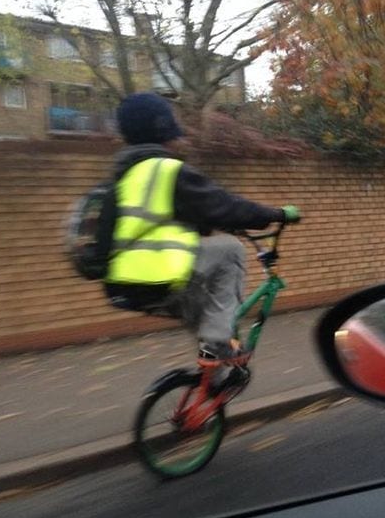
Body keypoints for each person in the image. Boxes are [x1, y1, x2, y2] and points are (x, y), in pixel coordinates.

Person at [103, 92, 300, 366]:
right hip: (158, 277)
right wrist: (278, 214)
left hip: (126, 286)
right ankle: (218, 344)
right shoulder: (167, 170)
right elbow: (224, 205)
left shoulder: (124, 177)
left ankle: (210, 385)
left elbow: (167, 220)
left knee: (208, 322)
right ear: (161, 127)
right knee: (230, 249)